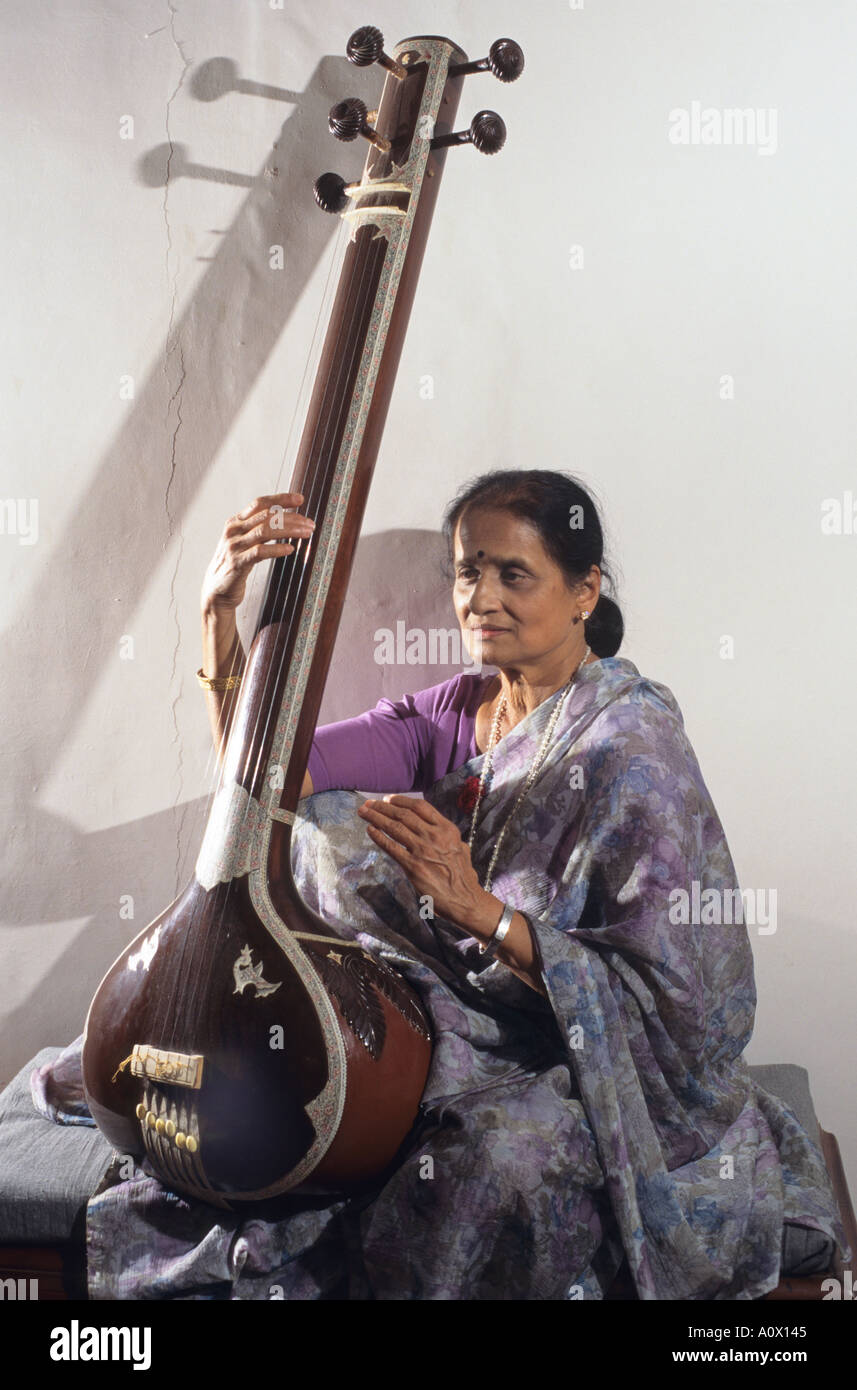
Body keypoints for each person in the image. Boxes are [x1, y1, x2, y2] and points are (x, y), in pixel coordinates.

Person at [36, 469, 849, 1299]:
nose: (480, 598)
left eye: (512, 574)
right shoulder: (456, 711)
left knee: (490, 1164)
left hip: (575, 1055)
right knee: (323, 830)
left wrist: (477, 909)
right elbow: (265, 778)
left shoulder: (633, 751)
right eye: (468, 571)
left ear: (583, 591)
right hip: (435, 1025)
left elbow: (676, 1001)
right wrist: (217, 617)